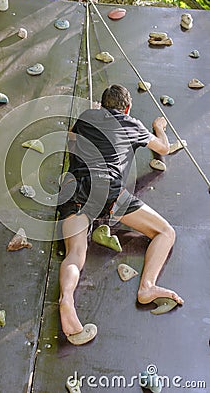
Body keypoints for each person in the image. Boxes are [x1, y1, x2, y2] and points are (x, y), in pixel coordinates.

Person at [57, 84, 184, 346]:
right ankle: (147, 286)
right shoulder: (131, 123)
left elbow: (70, 139)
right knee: (165, 232)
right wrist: (159, 127)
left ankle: (66, 298)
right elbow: (162, 148)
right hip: (107, 190)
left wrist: (91, 116)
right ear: (127, 108)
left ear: (102, 105)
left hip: (73, 189)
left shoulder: (85, 118)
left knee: (75, 254)